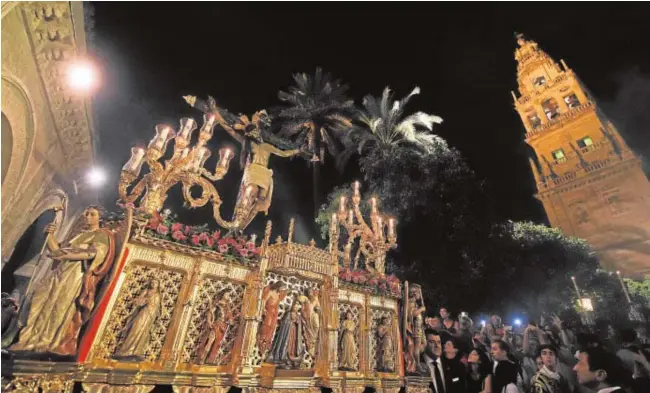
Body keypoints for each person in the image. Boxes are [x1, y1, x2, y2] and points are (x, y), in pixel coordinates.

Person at [9, 206, 116, 356]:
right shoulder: (79, 235)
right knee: (43, 303)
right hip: (60, 272)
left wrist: (67, 255)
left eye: (92, 214)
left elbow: (94, 254)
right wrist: (50, 234)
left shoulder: (102, 235)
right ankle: (29, 339)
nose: (87, 216)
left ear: (100, 218)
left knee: (58, 306)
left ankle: (47, 341)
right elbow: (55, 251)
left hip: (74, 276)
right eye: (86, 213)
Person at [113, 279, 162, 360]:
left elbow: (159, 307)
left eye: (156, 282)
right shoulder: (147, 291)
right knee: (135, 330)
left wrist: (157, 315)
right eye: (152, 282)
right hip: (144, 312)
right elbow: (137, 301)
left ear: (158, 285)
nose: (153, 284)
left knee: (144, 333)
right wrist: (145, 300)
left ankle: (137, 352)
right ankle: (125, 351)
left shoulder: (158, 294)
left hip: (151, 317)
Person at [616, 329, 650, 393]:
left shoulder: (620, 353)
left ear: (622, 339)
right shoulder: (641, 351)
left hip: (633, 384)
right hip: (646, 381)